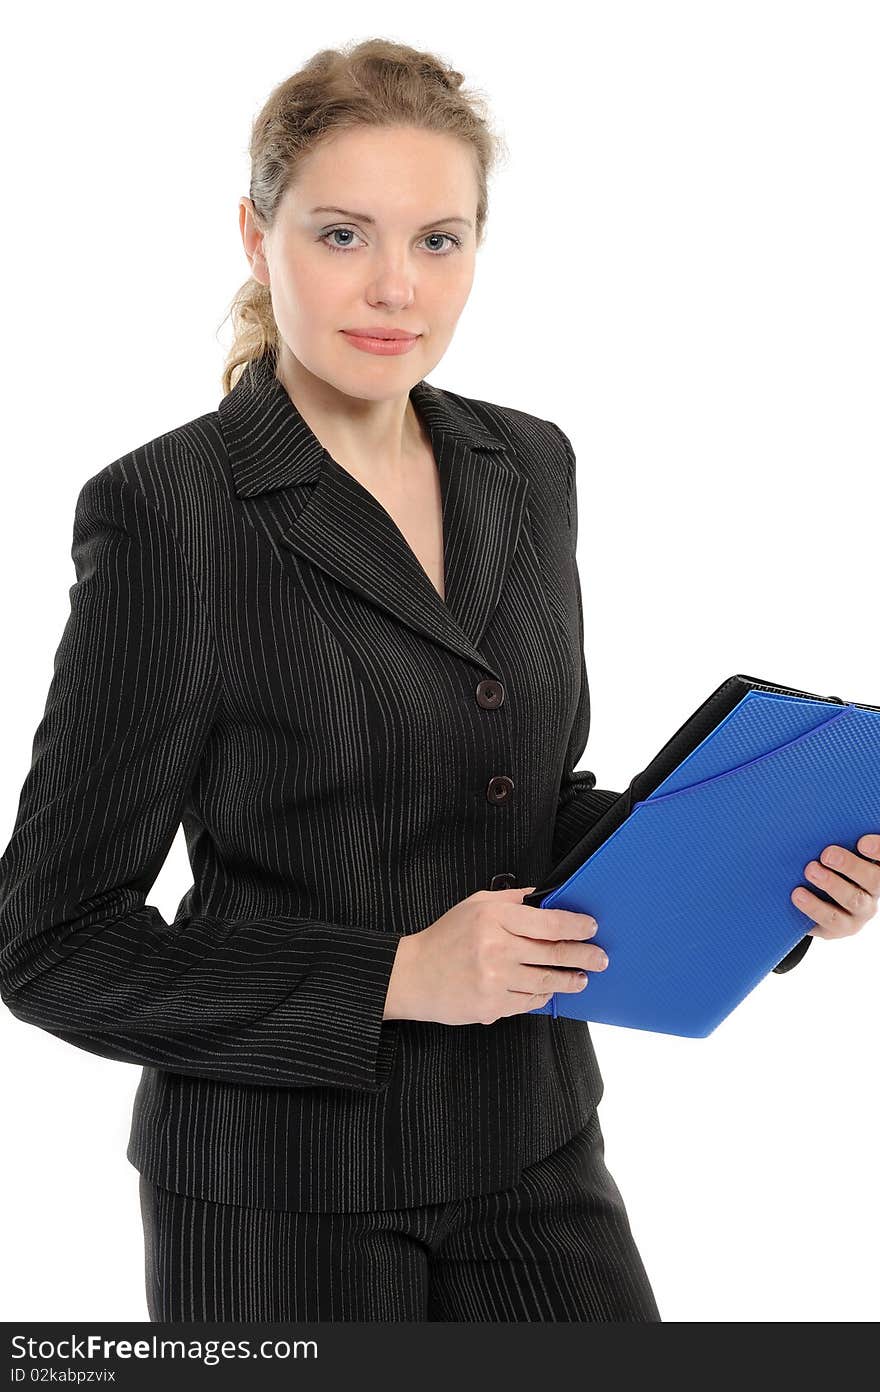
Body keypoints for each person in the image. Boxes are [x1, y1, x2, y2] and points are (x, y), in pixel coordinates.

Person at [1, 37, 876, 1326]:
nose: (395, 289)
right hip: (279, 1196)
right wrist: (398, 976)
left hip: (535, 1153)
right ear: (258, 236)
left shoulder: (527, 466)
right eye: (343, 234)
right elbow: (53, 941)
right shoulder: (168, 513)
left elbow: (526, 798)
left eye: (440, 239)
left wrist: (771, 885)